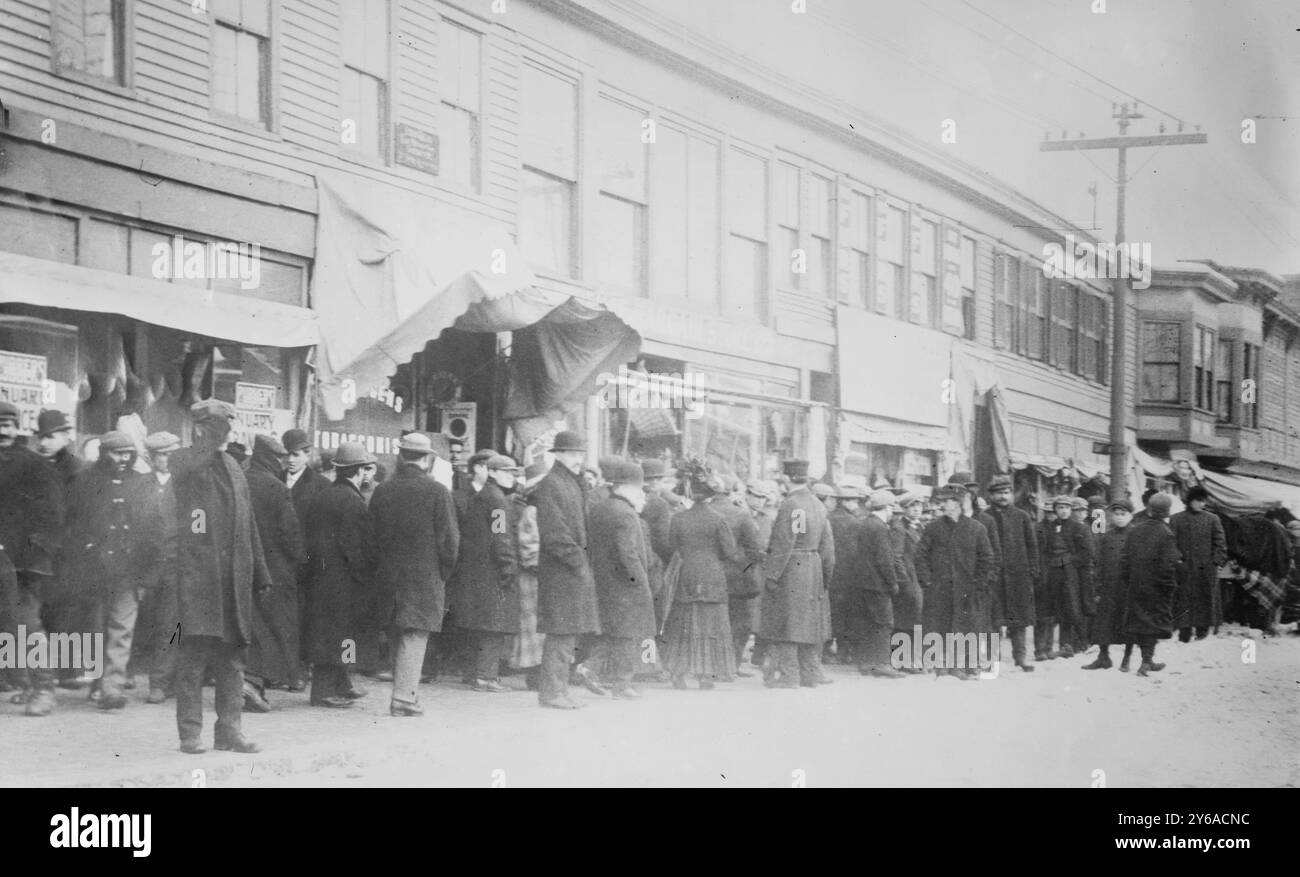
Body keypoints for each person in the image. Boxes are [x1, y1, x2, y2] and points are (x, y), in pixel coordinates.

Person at [169, 400, 272, 753]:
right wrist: (213, 432)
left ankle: (229, 730)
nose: (230, 433)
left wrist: (260, 571)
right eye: (223, 427)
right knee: (193, 660)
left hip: (232, 583)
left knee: (232, 661)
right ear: (204, 429)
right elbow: (197, 460)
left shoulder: (233, 466)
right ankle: (190, 734)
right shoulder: (183, 460)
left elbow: (249, 524)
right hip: (198, 581)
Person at [368, 433, 459, 716]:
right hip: (423, 575)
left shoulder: (383, 490)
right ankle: (404, 697)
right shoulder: (437, 492)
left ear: (401, 456)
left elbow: (370, 537)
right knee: (415, 634)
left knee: (397, 632)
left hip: (388, 575)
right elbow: (450, 541)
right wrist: (443, 572)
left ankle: (405, 692)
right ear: (427, 458)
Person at [64, 431, 151, 710]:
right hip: (93, 569)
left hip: (129, 569)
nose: (124, 459)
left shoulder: (141, 484)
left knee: (122, 628)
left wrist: (147, 569)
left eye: (128, 453)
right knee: (94, 626)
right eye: (117, 453)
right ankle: (96, 681)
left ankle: (112, 686)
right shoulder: (86, 482)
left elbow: (152, 526)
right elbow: (73, 523)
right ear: (104, 454)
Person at [302, 441, 377, 710]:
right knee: (340, 634)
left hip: (319, 576)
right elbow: (354, 547)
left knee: (329, 632)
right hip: (343, 580)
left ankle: (342, 684)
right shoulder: (353, 502)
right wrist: (364, 576)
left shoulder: (321, 496)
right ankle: (323, 692)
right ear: (357, 471)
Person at [531, 430, 601, 709]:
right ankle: (552, 692)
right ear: (557, 454)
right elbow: (554, 533)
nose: (577, 459)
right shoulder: (551, 485)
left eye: (580, 454)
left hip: (571, 570)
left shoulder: (573, 483)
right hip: (562, 571)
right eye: (572, 453)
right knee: (560, 633)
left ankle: (557, 690)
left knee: (567, 634)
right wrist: (578, 561)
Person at [0, 401, 61, 714]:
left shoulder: (34, 464)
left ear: (18, 428)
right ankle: (24, 684)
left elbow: (51, 513)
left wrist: (35, 550)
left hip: (22, 562)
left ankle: (44, 688)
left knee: (26, 625)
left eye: (8, 425)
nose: (3, 431)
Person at [447, 454, 521, 693]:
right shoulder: (498, 501)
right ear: (492, 472)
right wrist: (509, 566)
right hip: (494, 572)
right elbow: (501, 537)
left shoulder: (481, 497)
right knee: (494, 626)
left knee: (477, 625)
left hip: (475, 571)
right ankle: (487, 677)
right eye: (506, 472)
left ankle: (472, 674)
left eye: (513, 472)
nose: (512, 476)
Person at [582, 460, 656, 698]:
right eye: (638, 489)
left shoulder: (601, 508)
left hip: (603, 581)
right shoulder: (625, 514)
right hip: (625, 585)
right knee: (628, 634)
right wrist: (641, 582)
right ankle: (622, 685)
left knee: (613, 632)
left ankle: (589, 667)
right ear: (623, 487)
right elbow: (628, 555)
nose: (641, 493)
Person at [242, 434, 304, 711]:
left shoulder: (239, 481)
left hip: (242, 567)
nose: (283, 463)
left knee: (250, 626)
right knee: (275, 627)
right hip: (275, 570)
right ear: (270, 459)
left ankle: (247, 681)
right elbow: (290, 534)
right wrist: (299, 558)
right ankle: (254, 683)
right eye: (279, 458)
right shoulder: (277, 488)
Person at [759, 459, 835, 688]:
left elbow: (784, 542)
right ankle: (810, 674)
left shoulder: (790, 504)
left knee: (788, 621)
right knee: (810, 622)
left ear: (786, 477)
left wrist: (772, 574)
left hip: (792, 567)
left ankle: (789, 676)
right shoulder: (818, 504)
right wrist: (825, 575)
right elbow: (828, 546)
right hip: (813, 566)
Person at [663, 461, 738, 689]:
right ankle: (707, 675)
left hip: (686, 574)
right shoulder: (718, 519)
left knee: (683, 623)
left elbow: (671, 546)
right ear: (710, 495)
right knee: (711, 625)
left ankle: (678, 673)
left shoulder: (678, 518)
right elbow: (730, 552)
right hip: (712, 576)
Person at [915, 486, 993, 679]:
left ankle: (965, 665)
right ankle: (941, 664)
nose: (944, 505)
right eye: (943, 502)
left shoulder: (976, 528)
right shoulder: (933, 528)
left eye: (948, 501)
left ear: (959, 504)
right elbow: (921, 555)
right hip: (939, 589)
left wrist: (978, 584)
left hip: (967, 589)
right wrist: (927, 580)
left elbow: (987, 558)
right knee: (939, 625)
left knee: (967, 626)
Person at [34, 409, 85, 691]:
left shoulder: (76, 470)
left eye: (51, 437)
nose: (45, 443)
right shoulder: (34, 466)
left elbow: (79, 514)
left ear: (65, 437)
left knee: (65, 613)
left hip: (66, 551)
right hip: (39, 550)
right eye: (42, 437)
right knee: (36, 613)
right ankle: (34, 676)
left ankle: (69, 672)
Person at [138, 432, 181, 704]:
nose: (166, 460)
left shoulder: (186, 486)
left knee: (170, 624)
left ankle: (161, 681)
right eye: (161, 455)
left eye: (170, 454)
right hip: (146, 566)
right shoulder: (141, 485)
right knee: (144, 623)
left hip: (176, 565)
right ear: (152, 458)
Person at [1119, 493, 1182, 676]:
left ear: (1150, 509)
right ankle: (1146, 662)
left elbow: (1124, 561)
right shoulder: (1167, 533)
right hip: (1157, 588)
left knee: (1135, 622)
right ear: (1167, 512)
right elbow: (1168, 566)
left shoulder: (1135, 530)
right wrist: (1169, 586)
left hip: (1136, 585)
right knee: (1153, 624)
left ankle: (1126, 660)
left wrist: (1130, 581)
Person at [707, 475, 763, 676]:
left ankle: (710, 666)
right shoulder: (741, 515)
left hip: (707, 576)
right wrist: (747, 566)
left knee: (712, 623)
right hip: (737, 578)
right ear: (731, 491)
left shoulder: (701, 511)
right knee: (740, 624)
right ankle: (730, 666)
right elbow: (754, 549)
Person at [984, 475, 1039, 672]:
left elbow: (1032, 546)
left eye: (1006, 492)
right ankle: (993, 660)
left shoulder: (1022, 516)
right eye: (999, 493)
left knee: (1020, 621)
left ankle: (1021, 658)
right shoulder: (985, 517)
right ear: (991, 495)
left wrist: (1033, 570)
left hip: (1019, 577)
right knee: (993, 620)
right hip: (995, 578)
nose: (1003, 496)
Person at [1035, 496, 1093, 660]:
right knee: (1056, 609)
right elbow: (1045, 550)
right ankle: (1063, 646)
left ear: (1071, 509)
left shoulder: (1079, 528)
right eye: (1060, 508)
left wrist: (1069, 561)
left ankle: (1083, 642)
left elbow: (1087, 553)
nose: (1063, 511)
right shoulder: (1050, 528)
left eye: (1066, 508)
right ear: (1055, 510)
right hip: (1053, 573)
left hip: (1071, 574)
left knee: (1073, 607)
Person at [854, 490, 904, 678]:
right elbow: (885, 560)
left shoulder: (865, 523)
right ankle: (882, 663)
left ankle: (867, 663)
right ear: (887, 507)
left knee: (868, 623)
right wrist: (893, 583)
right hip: (878, 584)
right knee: (884, 623)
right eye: (892, 507)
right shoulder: (880, 528)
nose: (892, 512)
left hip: (863, 582)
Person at [1084, 498, 1137, 671]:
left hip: (1128, 588)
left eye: (1123, 514)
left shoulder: (1137, 535)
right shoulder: (1107, 536)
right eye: (1116, 514)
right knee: (1103, 623)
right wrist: (1098, 586)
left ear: (1131, 515)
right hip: (1108, 587)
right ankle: (1103, 657)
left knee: (1127, 623)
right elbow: (1100, 562)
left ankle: (1127, 657)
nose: (1119, 518)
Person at [508, 461, 548, 689]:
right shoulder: (532, 512)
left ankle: (538, 672)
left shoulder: (532, 510)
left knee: (536, 626)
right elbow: (529, 549)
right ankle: (534, 673)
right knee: (533, 626)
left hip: (536, 575)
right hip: (533, 577)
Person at [1169, 485, 1226, 641]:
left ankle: (1203, 632)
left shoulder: (1212, 519)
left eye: (1204, 501)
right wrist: (1178, 560)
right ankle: (1184, 633)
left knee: (1205, 600)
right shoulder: (1176, 519)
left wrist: (1215, 562)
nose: (1202, 504)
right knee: (1184, 601)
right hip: (1184, 569)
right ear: (1190, 501)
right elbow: (1170, 543)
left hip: (1205, 570)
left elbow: (1220, 543)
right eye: (1199, 501)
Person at [888, 493, 925, 672]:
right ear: (904, 509)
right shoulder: (899, 528)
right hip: (908, 580)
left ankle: (910, 659)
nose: (917, 510)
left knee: (914, 620)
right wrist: (904, 581)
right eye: (912, 507)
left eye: (919, 506)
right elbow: (896, 557)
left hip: (918, 579)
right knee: (904, 621)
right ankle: (900, 660)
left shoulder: (920, 527)